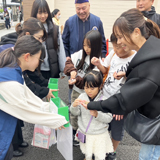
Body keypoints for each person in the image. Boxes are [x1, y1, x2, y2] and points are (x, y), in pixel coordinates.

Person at [81, 8, 160, 160]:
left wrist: (92, 105)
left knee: (147, 157)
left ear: (136, 32)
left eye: (120, 36)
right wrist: (128, 74)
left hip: (155, 122)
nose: (119, 42)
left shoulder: (150, 63)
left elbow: (123, 100)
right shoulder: (152, 49)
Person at [0, 35, 68, 160]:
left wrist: (46, 107)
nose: (39, 63)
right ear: (27, 57)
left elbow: (28, 96)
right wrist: (55, 120)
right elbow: (25, 111)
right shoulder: (10, 83)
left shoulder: (13, 68)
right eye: (39, 59)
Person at [91, 33, 136, 160]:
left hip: (121, 102)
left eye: (119, 47)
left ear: (127, 43)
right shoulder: (114, 53)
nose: (116, 50)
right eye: (114, 47)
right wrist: (98, 63)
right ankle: (101, 147)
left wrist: (125, 75)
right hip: (106, 96)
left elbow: (136, 82)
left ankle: (111, 152)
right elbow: (105, 70)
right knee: (103, 124)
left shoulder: (135, 58)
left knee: (117, 129)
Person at [64, 30, 102, 146]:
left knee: (84, 114)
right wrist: (72, 71)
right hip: (75, 91)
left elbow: (89, 82)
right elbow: (68, 62)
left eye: (89, 46)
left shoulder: (97, 62)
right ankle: (74, 131)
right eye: (84, 45)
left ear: (96, 46)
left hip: (87, 94)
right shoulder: (80, 54)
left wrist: (76, 80)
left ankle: (81, 133)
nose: (86, 48)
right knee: (73, 111)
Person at [70, 70, 113, 160]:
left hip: (99, 134)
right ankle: (87, 157)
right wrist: (73, 106)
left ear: (100, 86)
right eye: (86, 87)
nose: (89, 91)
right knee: (87, 150)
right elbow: (76, 113)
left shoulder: (104, 100)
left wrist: (97, 114)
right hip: (84, 132)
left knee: (99, 154)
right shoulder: (82, 97)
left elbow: (109, 118)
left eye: (92, 88)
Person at [31, 0, 66, 79]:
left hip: (52, 69)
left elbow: (60, 50)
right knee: (38, 91)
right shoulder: (30, 29)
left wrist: (63, 69)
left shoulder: (55, 29)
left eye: (45, 12)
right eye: (40, 13)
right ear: (35, 12)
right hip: (35, 69)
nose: (43, 16)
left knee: (52, 90)